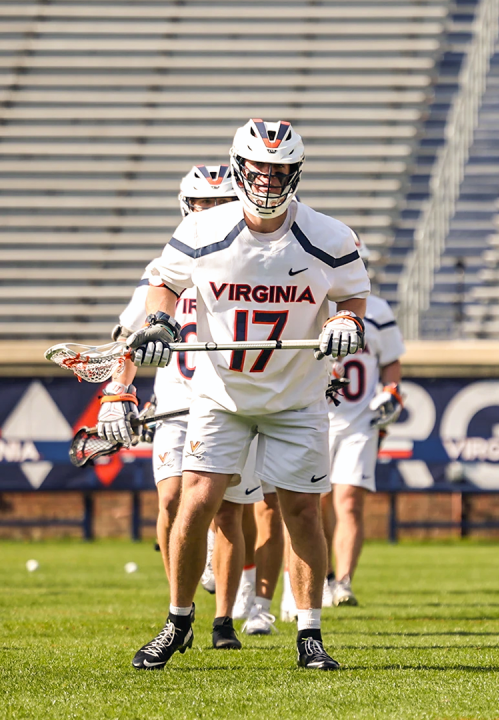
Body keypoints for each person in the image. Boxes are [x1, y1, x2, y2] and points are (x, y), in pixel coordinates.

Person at [117, 119, 369, 670]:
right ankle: (178, 619)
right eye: (259, 169)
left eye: (280, 170)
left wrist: (346, 325)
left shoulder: (330, 236)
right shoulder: (207, 229)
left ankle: (309, 635)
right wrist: (159, 321)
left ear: (296, 173)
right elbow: (164, 280)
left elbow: (352, 299)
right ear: (240, 168)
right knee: (196, 501)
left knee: (302, 510)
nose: (269, 179)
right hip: (222, 395)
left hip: (296, 397)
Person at [105, 164, 263, 650]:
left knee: (229, 514)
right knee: (173, 502)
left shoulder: (252, 263)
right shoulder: (165, 270)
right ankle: (182, 612)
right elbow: (127, 340)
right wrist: (118, 393)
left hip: (231, 402)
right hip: (175, 403)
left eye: (220, 203)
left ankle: (223, 621)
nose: (210, 213)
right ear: (186, 207)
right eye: (202, 204)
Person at [321, 235, 405, 607]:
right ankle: (320, 576)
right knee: (314, 502)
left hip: (359, 420)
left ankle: (343, 581)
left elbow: (391, 361)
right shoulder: (307, 306)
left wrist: (391, 390)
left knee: (350, 502)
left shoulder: (379, 310)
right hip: (314, 417)